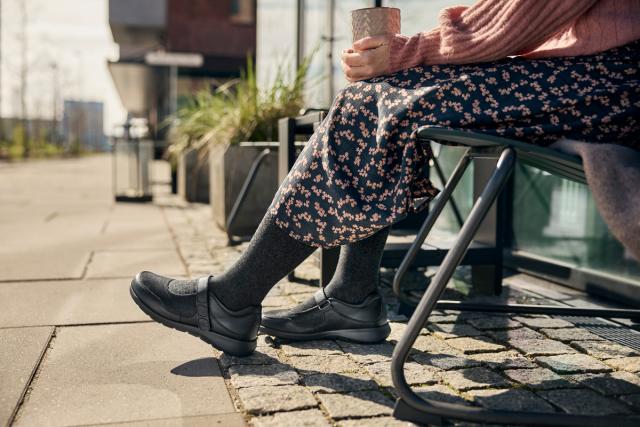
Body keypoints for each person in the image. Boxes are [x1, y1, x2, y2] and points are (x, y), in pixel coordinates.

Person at [129, 0, 640, 356]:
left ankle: (236, 299)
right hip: (601, 83)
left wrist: (406, 50)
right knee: (380, 97)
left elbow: (521, 15)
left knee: (375, 97)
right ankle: (349, 297)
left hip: (608, 83)